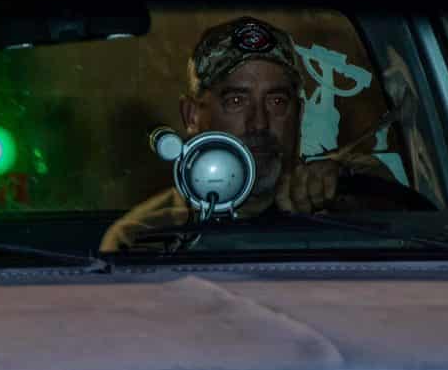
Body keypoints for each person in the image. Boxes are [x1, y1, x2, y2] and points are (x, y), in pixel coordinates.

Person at [99, 16, 409, 253]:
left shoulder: (341, 199)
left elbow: (409, 217)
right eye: (236, 101)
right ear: (192, 115)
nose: (259, 123)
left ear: (299, 115)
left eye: (277, 101)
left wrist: (344, 186)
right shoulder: (143, 236)